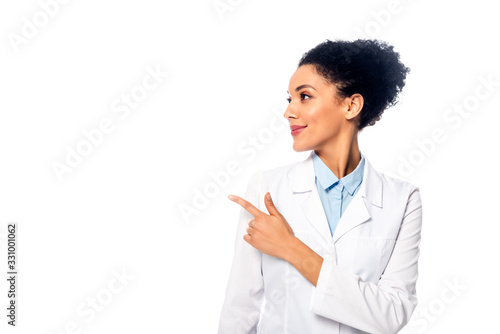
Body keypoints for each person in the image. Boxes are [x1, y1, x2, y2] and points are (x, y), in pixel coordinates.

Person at [218, 39, 422, 334]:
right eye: (289, 99)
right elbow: (240, 307)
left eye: (304, 96)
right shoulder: (267, 188)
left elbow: (391, 315)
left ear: (351, 105)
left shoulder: (402, 200)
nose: (289, 112)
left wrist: (290, 248)